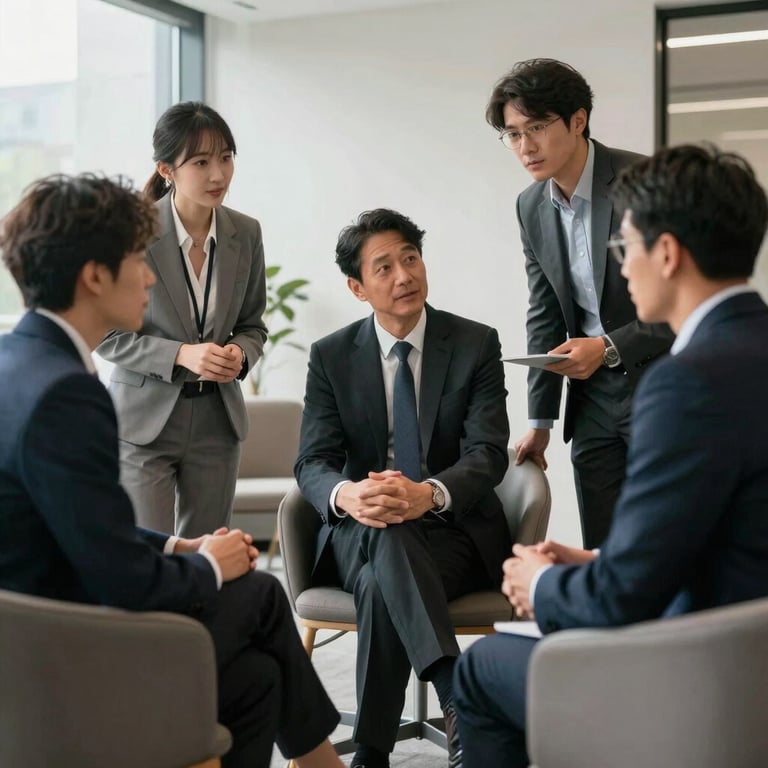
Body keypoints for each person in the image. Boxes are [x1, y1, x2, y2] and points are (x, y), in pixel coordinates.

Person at [0, 173, 344, 768]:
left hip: (32, 633)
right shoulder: (66, 394)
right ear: (94, 276)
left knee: (258, 679)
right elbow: (122, 580)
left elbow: (75, 523)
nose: (151, 276)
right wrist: (209, 563)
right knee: (260, 592)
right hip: (62, 654)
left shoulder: (17, 361)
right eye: (138, 260)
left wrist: (178, 543)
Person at [451, 144, 768, 768]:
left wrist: (540, 583)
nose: (620, 270)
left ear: (668, 254)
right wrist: (597, 557)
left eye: (625, 249)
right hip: (750, 644)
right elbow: (733, 529)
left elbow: (623, 599)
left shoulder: (685, 385)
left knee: (482, 667)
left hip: (704, 673)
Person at [294, 208, 511, 768]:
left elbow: (487, 454)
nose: (403, 276)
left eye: (410, 258)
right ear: (357, 287)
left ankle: (370, 752)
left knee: (378, 576)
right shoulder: (331, 356)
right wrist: (349, 496)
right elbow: (313, 462)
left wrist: (429, 493)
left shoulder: (474, 343)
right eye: (383, 267)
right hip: (358, 526)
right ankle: (456, 695)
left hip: (451, 531)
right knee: (384, 534)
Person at [486, 58, 674, 548]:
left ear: (578, 120)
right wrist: (540, 421)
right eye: (512, 133)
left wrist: (608, 347)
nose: (525, 146)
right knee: (604, 541)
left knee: (664, 536)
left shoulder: (643, 181)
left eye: (538, 128)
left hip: (661, 380)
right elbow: (544, 311)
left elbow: (683, 300)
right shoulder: (530, 205)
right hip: (590, 398)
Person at [96, 101, 267, 538]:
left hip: (217, 420)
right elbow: (104, 333)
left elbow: (253, 324)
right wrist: (182, 354)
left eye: (226, 158)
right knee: (149, 552)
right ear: (167, 170)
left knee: (211, 558)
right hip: (143, 421)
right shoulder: (130, 234)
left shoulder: (245, 233)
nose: (218, 175)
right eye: (201, 162)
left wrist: (239, 354)